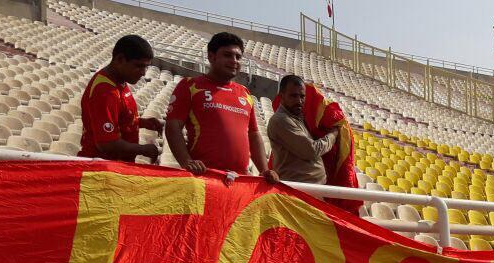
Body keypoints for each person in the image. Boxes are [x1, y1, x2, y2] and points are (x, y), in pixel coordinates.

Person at [165, 32, 276, 181]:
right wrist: (187, 162)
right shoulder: (190, 85)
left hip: (239, 180)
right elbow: (173, 127)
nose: (234, 61)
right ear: (211, 57)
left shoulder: (245, 93)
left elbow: (254, 135)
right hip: (204, 177)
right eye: (227, 55)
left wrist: (264, 170)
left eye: (238, 57)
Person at [79, 34, 162, 162]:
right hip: (103, 170)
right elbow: (106, 144)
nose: (144, 72)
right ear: (120, 59)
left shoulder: (119, 81)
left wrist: (141, 122)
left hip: (116, 166)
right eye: (139, 66)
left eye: (146, 66)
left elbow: (117, 119)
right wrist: (143, 149)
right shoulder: (105, 91)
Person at [267, 75, 339, 183]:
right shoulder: (280, 120)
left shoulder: (297, 117)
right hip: (299, 190)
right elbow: (311, 150)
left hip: (310, 189)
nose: (299, 101)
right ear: (282, 96)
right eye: (293, 96)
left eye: (302, 96)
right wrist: (333, 135)